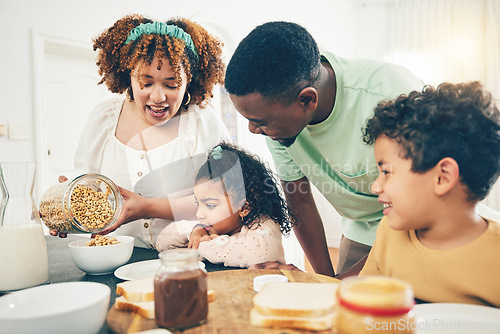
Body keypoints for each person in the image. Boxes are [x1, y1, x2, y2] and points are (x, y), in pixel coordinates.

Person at [224, 21, 424, 276]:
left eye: (260, 122)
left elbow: (423, 203)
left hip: (420, 226)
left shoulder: (390, 95)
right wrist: (324, 281)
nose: (253, 129)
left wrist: (340, 285)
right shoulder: (278, 123)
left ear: (307, 100)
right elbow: (299, 200)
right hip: (360, 230)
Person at [50, 14, 232, 248]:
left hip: (188, 259)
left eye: (171, 84)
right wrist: (68, 206)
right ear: (128, 77)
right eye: (146, 83)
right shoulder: (104, 120)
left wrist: (146, 207)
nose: (158, 97)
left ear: (189, 82)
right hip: (116, 260)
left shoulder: (202, 122)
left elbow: (227, 199)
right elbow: (89, 188)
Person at [357, 82, 500, 306]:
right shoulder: (389, 234)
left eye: (386, 172)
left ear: (442, 177)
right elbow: (363, 306)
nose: (375, 186)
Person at [155, 142, 296, 268]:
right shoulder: (209, 228)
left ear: (245, 207)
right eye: (198, 204)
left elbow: (260, 254)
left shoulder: (263, 224)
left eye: (210, 205)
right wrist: (194, 230)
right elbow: (161, 241)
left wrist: (199, 247)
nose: (199, 214)